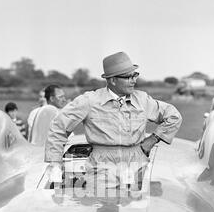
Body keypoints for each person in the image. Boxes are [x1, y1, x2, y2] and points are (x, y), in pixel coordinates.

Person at [44, 51, 182, 193]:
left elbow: (173, 116)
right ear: (112, 80)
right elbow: (58, 127)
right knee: (104, 209)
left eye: (135, 75)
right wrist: (55, 162)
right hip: (101, 167)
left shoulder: (142, 100)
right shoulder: (89, 101)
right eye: (128, 77)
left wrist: (152, 140)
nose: (133, 80)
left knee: (134, 210)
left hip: (136, 164)